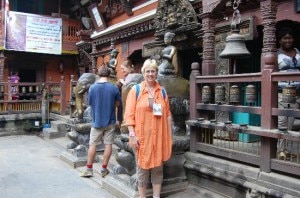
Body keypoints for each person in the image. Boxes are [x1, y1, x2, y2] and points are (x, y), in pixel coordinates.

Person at [124, 59, 173, 198]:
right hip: (142, 137)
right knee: (142, 169)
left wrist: (169, 136)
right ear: (143, 73)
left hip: (159, 137)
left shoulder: (162, 91)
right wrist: (132, 134)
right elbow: (129, 114)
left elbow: (168, 114)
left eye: (153, 71)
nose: (150, 74)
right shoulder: (136, 90)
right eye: (148, 71)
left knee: (158, 169)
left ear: (156, 73)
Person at [80, 65, 122, 178]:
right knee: (108, 144)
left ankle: (89, 169)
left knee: (92, 145)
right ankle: (104, 169)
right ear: (108, 74)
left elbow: (90, 103)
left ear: (98, 74)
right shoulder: (114, 88)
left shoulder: (92, 88)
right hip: (110, 121)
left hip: (97, 120)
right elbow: (118, 104)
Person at [277, 27, 300, 159]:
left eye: (290, 37)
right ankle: (280, 151)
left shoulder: (297, 52)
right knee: (282, 121)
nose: (288, 40)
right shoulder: (276, 54)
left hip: (297, 92)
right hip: (283, 92)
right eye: (285, 38)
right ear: (280, 40)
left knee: (291, 123)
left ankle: (286, 150)